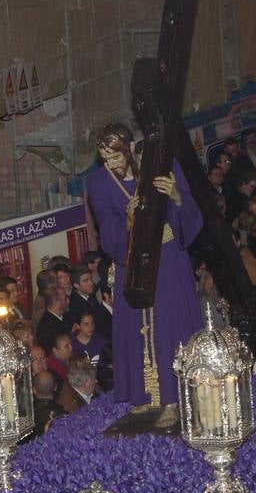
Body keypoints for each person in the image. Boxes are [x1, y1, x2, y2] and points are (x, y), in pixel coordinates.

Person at [87, 123, 203, 421]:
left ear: (127, 148)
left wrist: (176, 196)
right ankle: (145, 395)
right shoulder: (99, 184)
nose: (110, 163)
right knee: (134, 329)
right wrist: (126, 222)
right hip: (132, 261)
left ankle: (173, 399)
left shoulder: (160, 164)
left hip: (168, 260)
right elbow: (106, 227)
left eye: (115, 156)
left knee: (170, 327)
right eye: (104, 157)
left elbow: (190, 210)